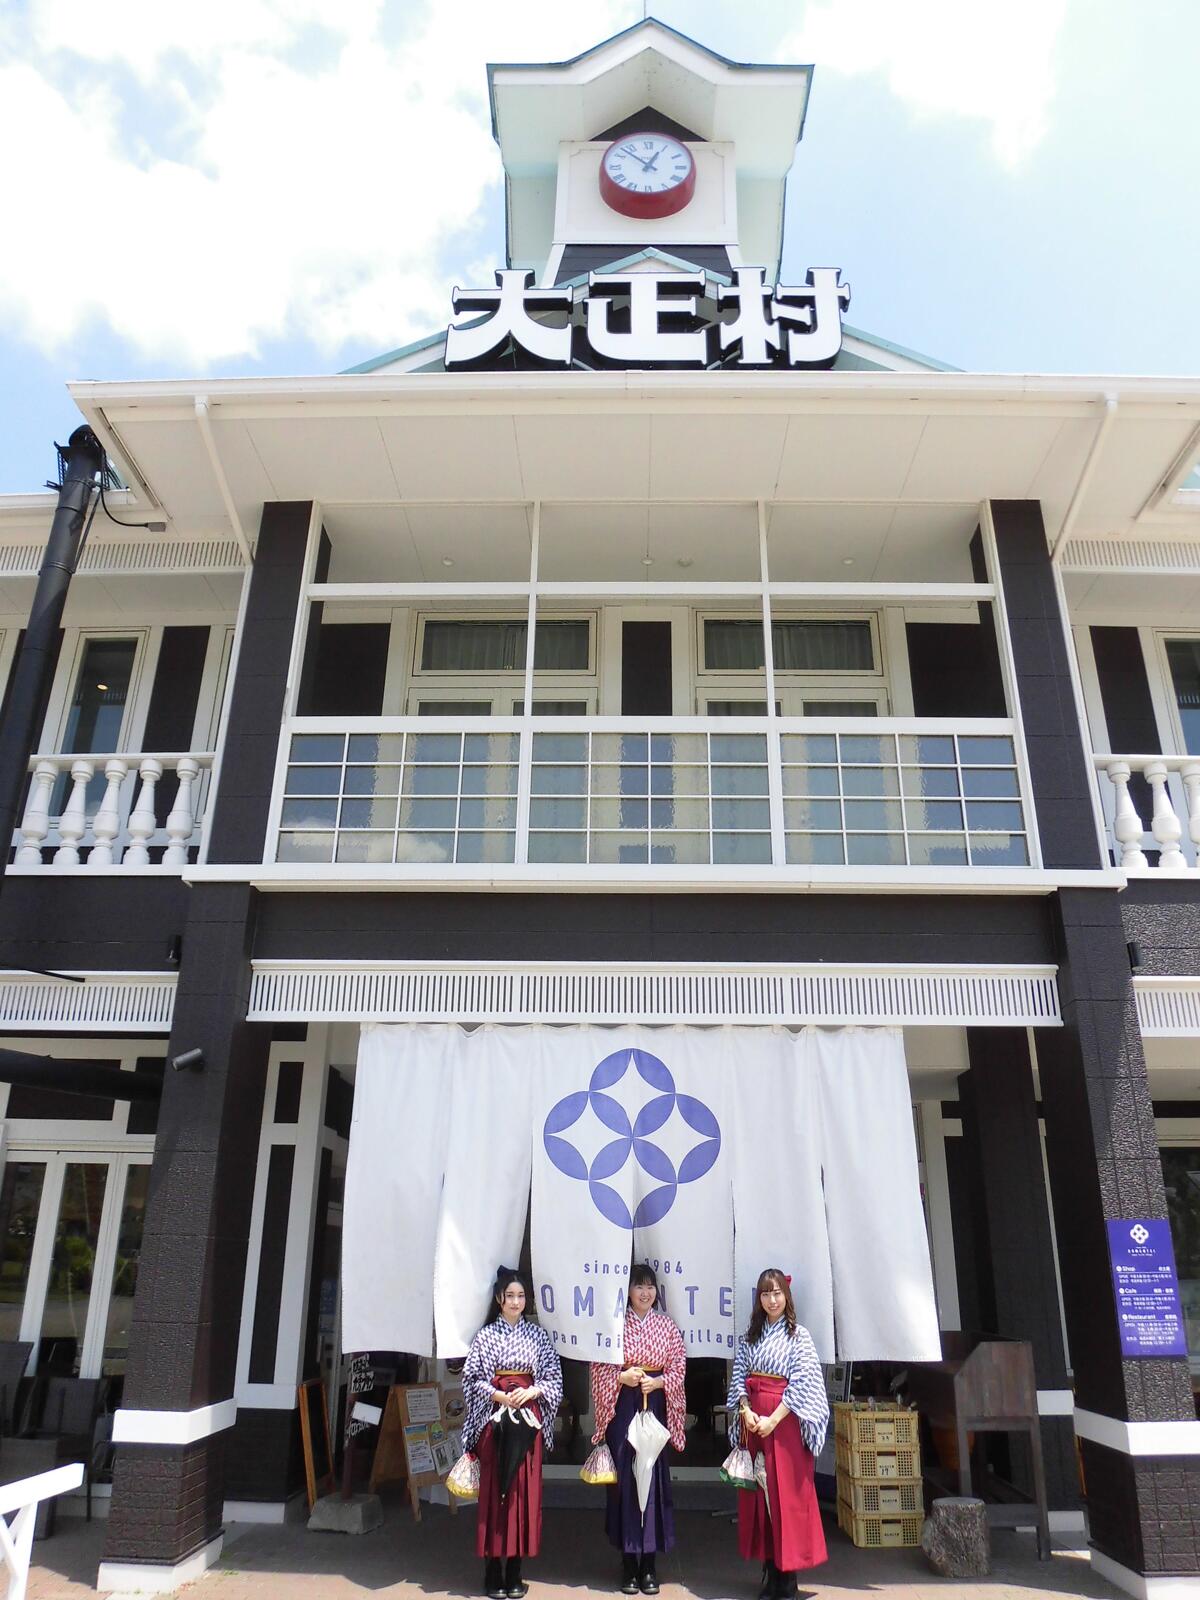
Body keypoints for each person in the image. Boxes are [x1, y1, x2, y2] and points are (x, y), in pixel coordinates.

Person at [462, 1267, 564, 1600]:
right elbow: (471, 1379)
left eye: (521, 1296)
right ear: (498, 1299)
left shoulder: (538, 1336)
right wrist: (498, 1395)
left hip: (528, 1418)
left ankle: (516, 1570)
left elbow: (553, 1378)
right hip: (495, 1417)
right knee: (495, 1492)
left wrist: (533, 1391)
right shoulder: (486, 1336)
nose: (516, 1302)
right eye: (510, 1296)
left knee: (523, 1493)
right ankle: (492, 1570)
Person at [726, 1268, 828, 1599]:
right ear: (759, 1299)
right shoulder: (750, 1337)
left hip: (785, 1425)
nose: (772, 1300)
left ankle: (788, 1578)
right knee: (760, 1498)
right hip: (755, 1422)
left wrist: (774, 1419)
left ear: (786, 1296)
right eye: (766, 1294)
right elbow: (739, 1376)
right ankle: (770, 1572)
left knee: (787, 1498)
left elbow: (803, 1383)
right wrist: (746, 1410)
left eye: (777, 1293)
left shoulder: (799, 1336)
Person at [590, 1264, 687, 1596]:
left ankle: (649, 1563)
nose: (645, 1293)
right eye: (638, 1286)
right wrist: (620, 1376)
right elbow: (598, 1364)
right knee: (627, 1480)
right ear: (627, 1291)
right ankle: (629, 1562)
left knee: (653, 1477)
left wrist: (658, 1381)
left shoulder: (666, 1326)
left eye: (650, 1287)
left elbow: (679, 1366)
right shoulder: (615, 1324)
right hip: (624, 1404)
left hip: (654, 1403)